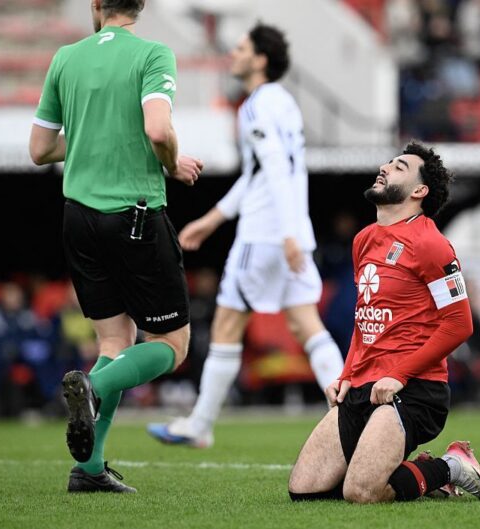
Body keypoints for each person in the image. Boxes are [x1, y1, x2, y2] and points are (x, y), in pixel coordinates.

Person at [29, 0, 203, 492]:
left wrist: (91, 138)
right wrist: (171, 161)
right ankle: (94, 386)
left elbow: (40, 150)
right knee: (172, 345)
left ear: (96, 4)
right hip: (133, 215)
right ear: (140, 6)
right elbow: (157, 129)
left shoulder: (66, 57)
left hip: (78, 218)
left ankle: (89, 470)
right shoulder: (152, 54)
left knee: (114, 343)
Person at [147, 23, 344, 448]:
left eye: (241, 48)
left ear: (260, 59)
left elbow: (272, 168)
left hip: (265, 234)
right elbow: (261, 174)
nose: (233, 54)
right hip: (293, 229)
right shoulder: (285, 103)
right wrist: (213, 219)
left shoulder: (254, 106)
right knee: (306, 323)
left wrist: (284, 234)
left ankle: (200, 424)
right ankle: (351, 414)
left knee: (227, 323)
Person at [287, 142, 480, 504]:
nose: (385, 167)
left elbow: (459, 323)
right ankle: (414, 473)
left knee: (361, 492)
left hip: (414, 390)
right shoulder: (363, 240)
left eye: (400, 166)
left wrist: (400, 374)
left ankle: (451, 467)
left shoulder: (431, 244)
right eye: (388, 162)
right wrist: (346, 374)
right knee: (305, 491)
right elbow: (364, 318)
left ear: (419, 191)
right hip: (363, 386)